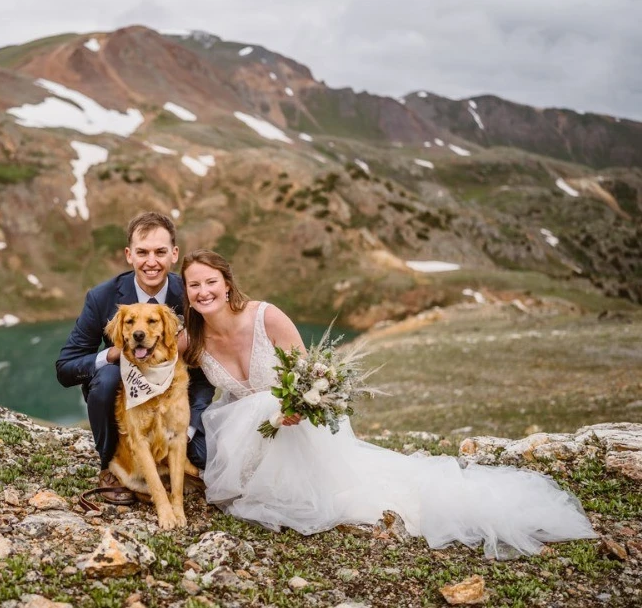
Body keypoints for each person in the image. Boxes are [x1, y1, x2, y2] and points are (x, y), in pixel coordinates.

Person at [180, 248, 596, 558]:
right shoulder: (191, 339)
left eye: (210, 281)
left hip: (297, 429)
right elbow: (142, 353)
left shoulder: (265, 316)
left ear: (227, 282)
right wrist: (111, 355)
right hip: (246, 440)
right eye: (193, 285)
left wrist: (297, 407)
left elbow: (309, 376)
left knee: (355, 498)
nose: (203, 291)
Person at [56, 212, 215, 505]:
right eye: (142, 252)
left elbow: (206, 374)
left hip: (176, 411)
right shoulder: (102, 297)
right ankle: (111, 467)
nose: (151, 262)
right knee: (107, 378)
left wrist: (188, 427)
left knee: (205, 458)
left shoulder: (192, 295)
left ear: (174, 254)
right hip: (126, 401)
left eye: (160, 252)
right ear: (129, 255)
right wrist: (112, 354)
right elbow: (65, 368)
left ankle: (173, 459)